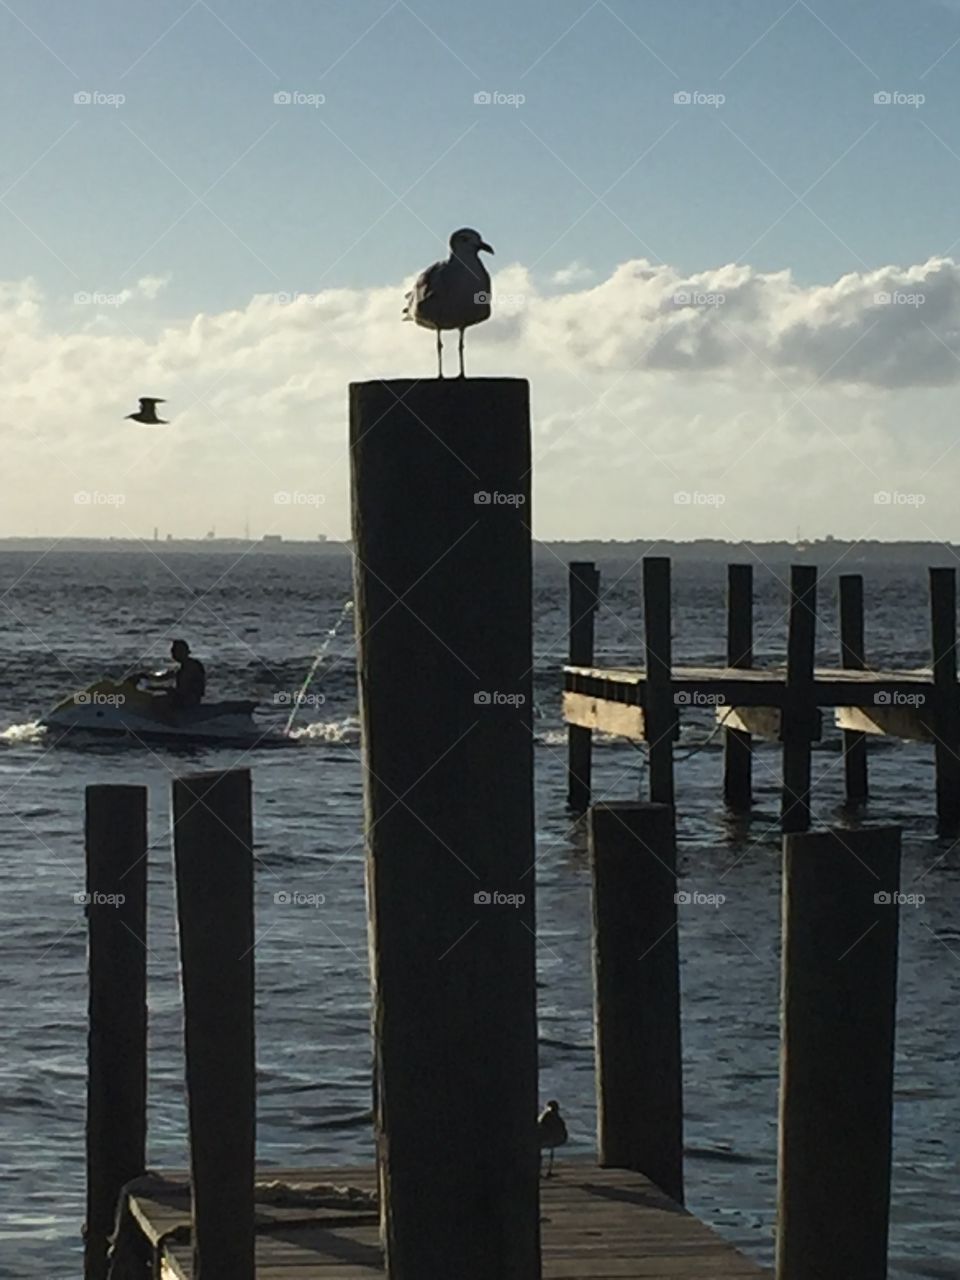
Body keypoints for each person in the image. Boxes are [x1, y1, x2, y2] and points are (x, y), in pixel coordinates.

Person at [160, 639, 206, 709]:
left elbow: (185, 690)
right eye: (173, 651)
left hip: (188, 702)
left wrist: (169, 690)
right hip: (187, 699)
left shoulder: (191, 666)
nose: (174, 654)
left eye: (176, 651)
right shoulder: (185, 667)